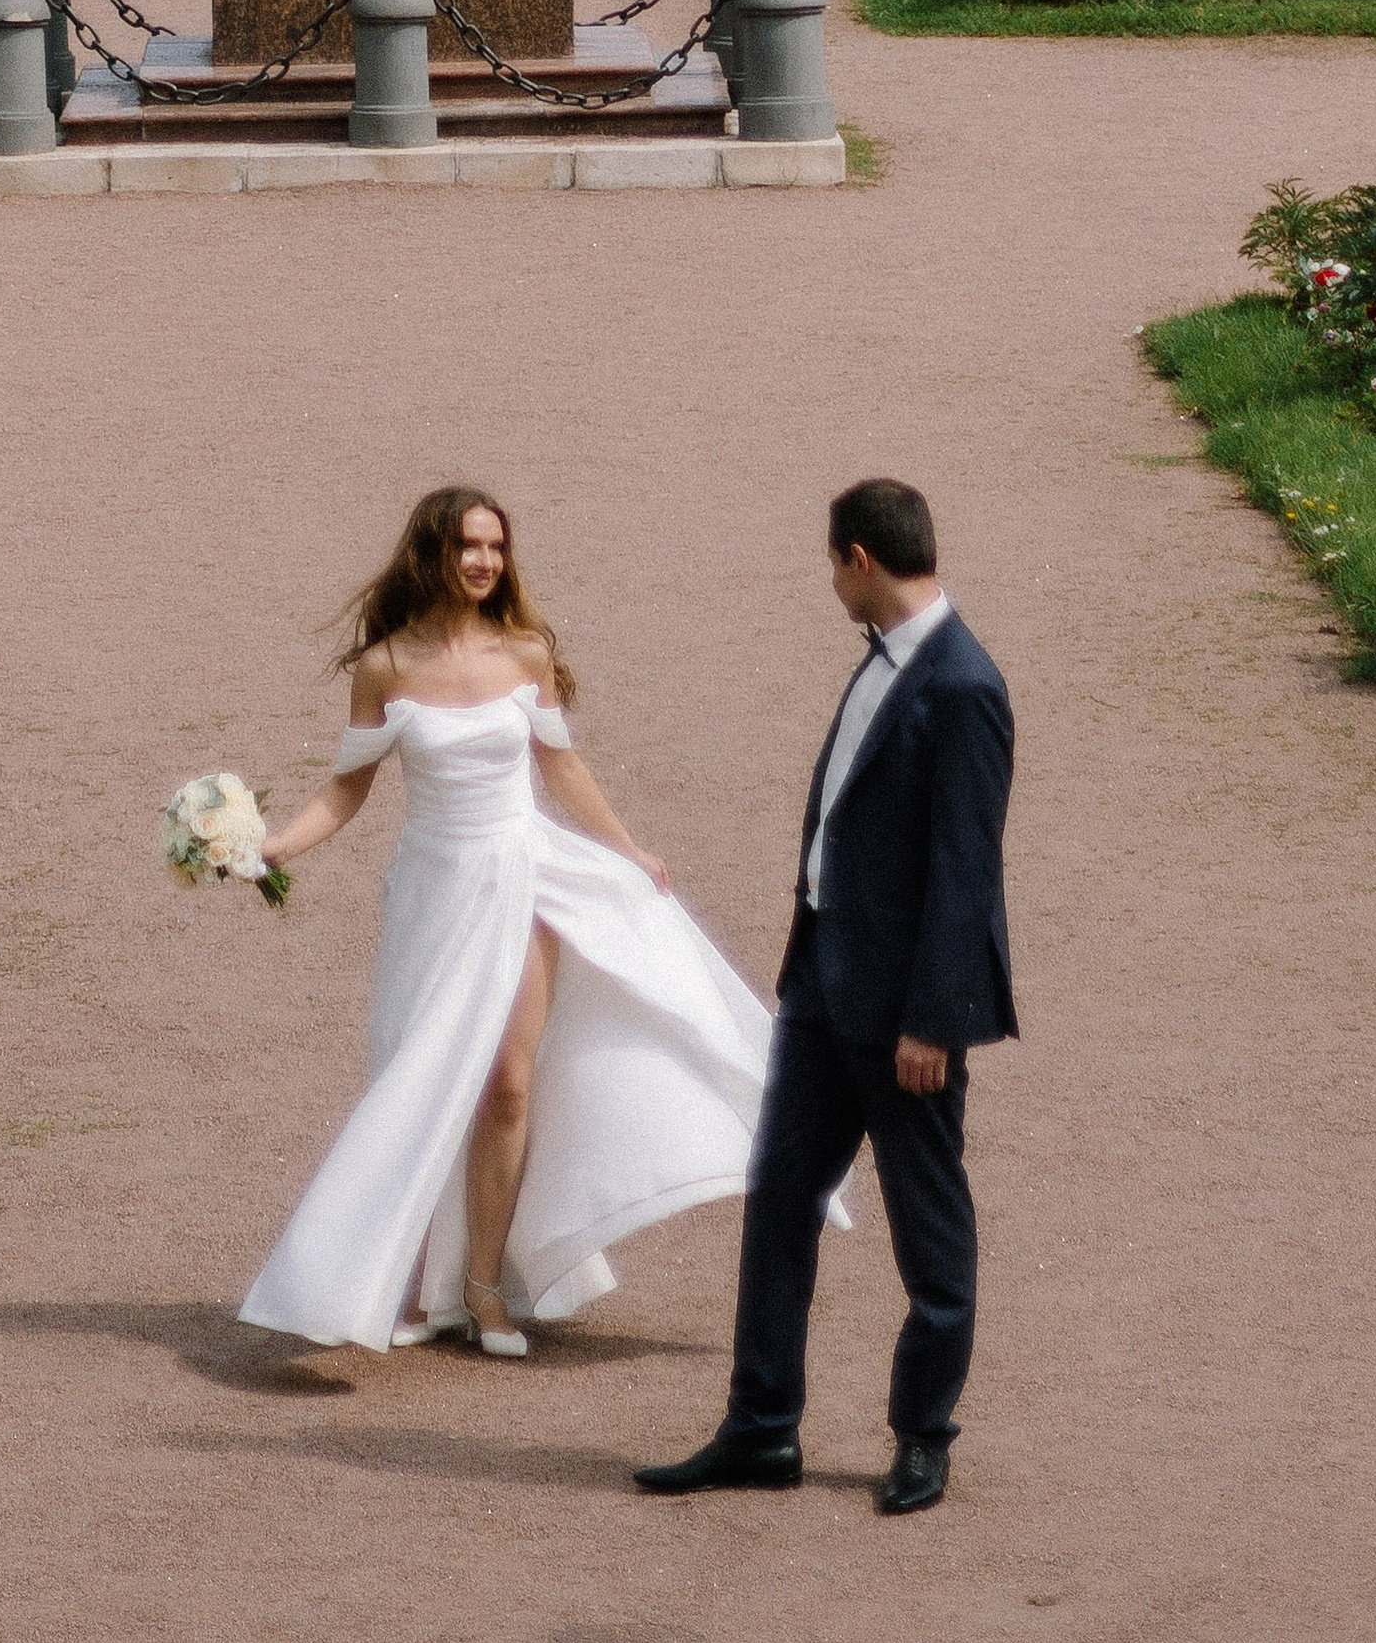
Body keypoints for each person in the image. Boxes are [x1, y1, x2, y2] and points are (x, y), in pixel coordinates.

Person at [239, 487, 793, 1359]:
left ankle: (485, 1286)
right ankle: (414, 1285)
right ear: (433, 552)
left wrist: (628, 849)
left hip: (524, 874)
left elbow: (561, 767)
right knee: (422, 1080)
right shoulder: (385, 666)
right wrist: (274, 848)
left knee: (506, 1082)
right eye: (467, 545)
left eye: (495, 547)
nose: (483, 561)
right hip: (433, 891)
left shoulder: (527, 653)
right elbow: (348, 787)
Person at [637, 477, 1014, 1522]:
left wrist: (934, 1019)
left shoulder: (964, 685)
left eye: (830, 564)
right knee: (779, 1204)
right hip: (821, 994)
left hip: (904, 1021)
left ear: (857, 558)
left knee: (928, 1234)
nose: (830, 582)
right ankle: (762, 1427)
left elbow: (964, 871)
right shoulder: (889, 665)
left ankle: (922, 1436)